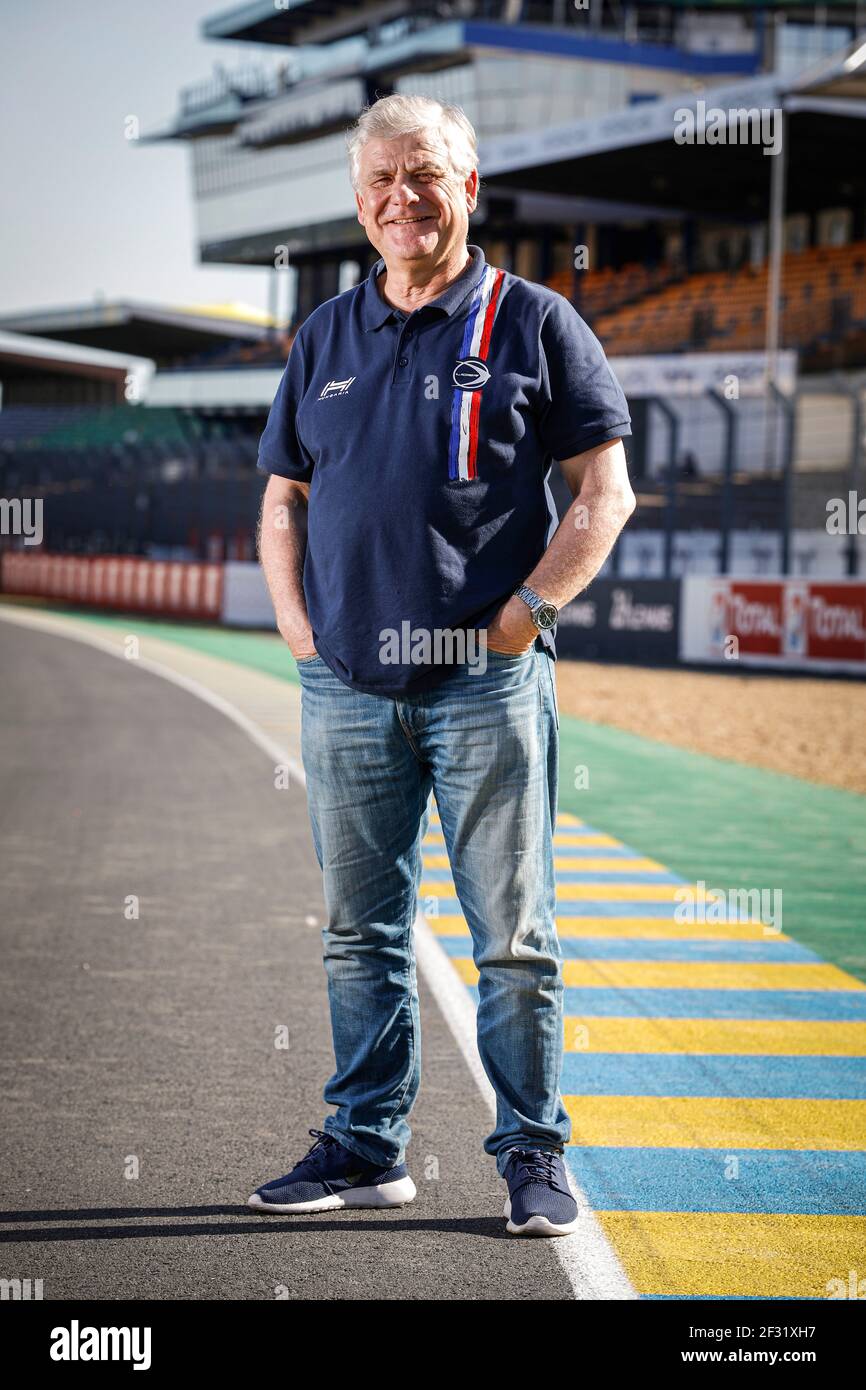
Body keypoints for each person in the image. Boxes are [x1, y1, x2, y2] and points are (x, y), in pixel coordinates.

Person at [250, 93, 635, 1237]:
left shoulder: (535, 321)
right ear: (358, 202)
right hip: (344, 687)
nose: (399, 198)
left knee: (511, 937)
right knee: (357, 931)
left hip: (484, 684)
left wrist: (527, 610)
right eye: (378, 180)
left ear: (466, 188)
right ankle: (366, 1145)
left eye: (422, 175)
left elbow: (602, 492)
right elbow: (282, 498)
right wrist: (295, 626)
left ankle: (530, 1152)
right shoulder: (321, 334)